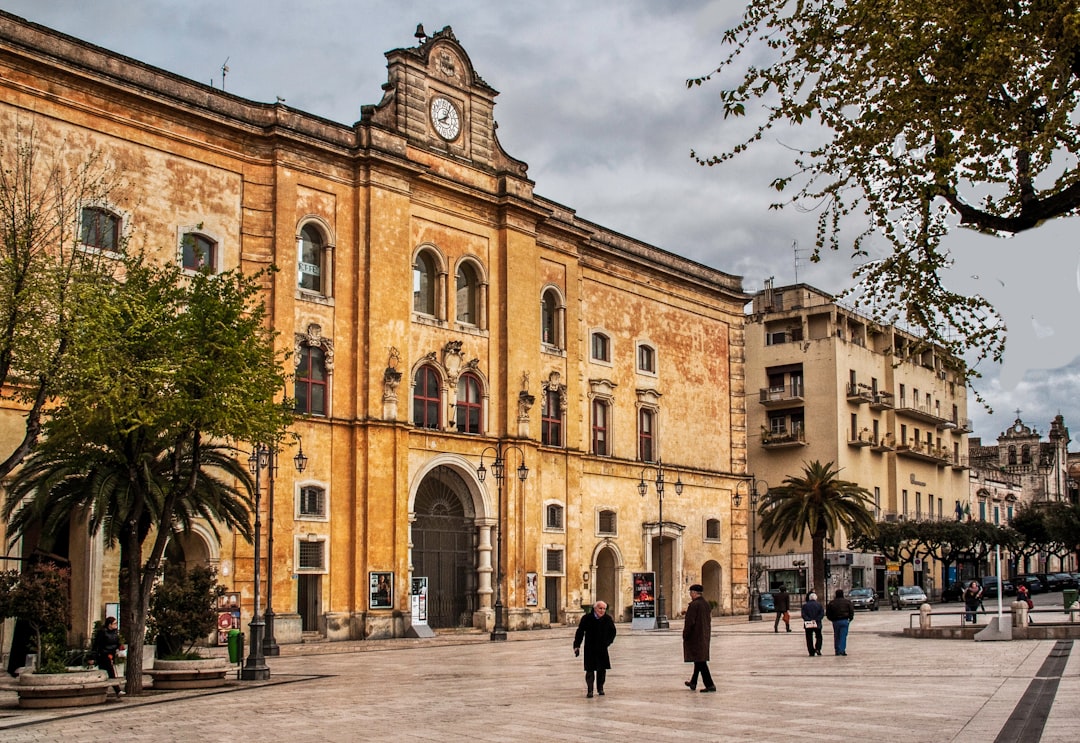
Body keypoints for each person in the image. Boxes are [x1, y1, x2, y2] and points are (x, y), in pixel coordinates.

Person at [573, 600, 616, 698]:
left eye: (604, 609)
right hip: (590, 648)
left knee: (602, 670)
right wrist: (576, 646)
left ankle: (600, 688)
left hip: (602, 648)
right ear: (595, 608)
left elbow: (613, 632)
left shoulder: (607, 619)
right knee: (590, 670)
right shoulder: (587, 618)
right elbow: (580, 632)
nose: (602, 611)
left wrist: (607, 642)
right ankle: (590, 690)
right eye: (600, 608)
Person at [682, 584, 715, 693]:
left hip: (695, 637)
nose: (690, 594)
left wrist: (685, 634)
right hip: (704, 635)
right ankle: (693, 682)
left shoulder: (694, 605)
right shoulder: (705, 604)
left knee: (701, 662)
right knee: (699, 659)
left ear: (695, 593)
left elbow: (690, 622)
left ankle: (710, 685)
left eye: (691, 592)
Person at [92, 616, 122, 694]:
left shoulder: (115, 632)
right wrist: (93, 656)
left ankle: (107, 690)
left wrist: (119, 647)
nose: (116, 625)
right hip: (104, 655)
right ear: (109, 624)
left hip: (111, 654)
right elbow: (97, 645)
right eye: (114, 623)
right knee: (110, 672)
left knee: (108, 673)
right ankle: (117, 690)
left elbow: (116, 642)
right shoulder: (103, 632)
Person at [825, 589, 855, 656]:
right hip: (844, 620)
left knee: (837, 635)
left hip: (835, 621)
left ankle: (837, 650)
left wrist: (831, 619)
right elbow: (851, 611)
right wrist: (850, 619)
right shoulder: (847, 602)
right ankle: (842, 650)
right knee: (843, 636)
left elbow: (828, 613)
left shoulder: (832, 603)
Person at [801, 591, 825, 657]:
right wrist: (816, 619)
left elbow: (803, 615)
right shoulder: (819, 605)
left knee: (809, 638)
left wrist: (808, 619)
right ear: (816, 598)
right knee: (819, 636)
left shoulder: (805, 605)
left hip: (808, 623)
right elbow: (822, 614)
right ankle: (818, 648)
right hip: (817, 623)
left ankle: (811, 651)